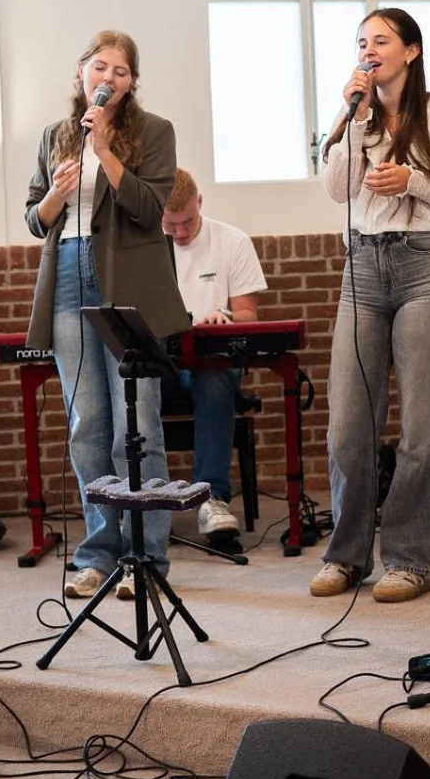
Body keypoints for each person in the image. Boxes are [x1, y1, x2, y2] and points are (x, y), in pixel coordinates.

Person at [313, 8, 430, 603]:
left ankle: (410, 561)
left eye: (381, 40)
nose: (368, 50)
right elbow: (337, 189)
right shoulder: (354, 114)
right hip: (362, 266)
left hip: (426, 265)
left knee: (419, 428)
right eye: (361, 42)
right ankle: (347, 556)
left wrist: (413, 182)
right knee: (347, 425)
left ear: (411, 50)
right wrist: (354, 117)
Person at [25, 31, 189, 600]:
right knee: (87, 422)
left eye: (120, 71)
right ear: (82, 72)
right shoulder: (54, 135)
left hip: (127, 280)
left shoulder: (154, 132)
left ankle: (148, 555)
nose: (108, 78)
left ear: (132, 83)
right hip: (68, 274)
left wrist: (105, 155)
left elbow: (150, 208)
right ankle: (98, 554)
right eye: (100, 67)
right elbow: (35, 218)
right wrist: (56, 194)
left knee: (135, 425)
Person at [161, 167, 268, 537]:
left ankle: (211, 499)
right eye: (170, 225)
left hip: (210, 361)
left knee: (216, 375)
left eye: (188, 222)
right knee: (130, 381)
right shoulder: (144, 251)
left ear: (200, 203)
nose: (180, 233)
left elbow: (248, 315)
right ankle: (140, 504)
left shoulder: (232, 241)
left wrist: (226, 318)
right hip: (161, 364)